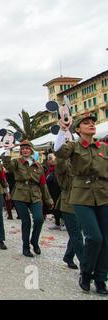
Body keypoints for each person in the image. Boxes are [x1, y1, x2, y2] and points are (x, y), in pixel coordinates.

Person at [54, 112, 108, 295]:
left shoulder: (103, 147)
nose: (91, 124)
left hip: (103, 195)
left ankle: (101, 279)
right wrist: (63, 130)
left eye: (93, 122)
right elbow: (59, 152)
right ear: (77, 129)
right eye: (86, 123)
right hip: (81, 196)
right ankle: (86, 272)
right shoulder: (74, 146)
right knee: (94, 237)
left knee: (106, 240)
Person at [2, 140, 52, 256]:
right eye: (23, 148)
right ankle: (25, 247)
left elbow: (43, 183)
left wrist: (48, 199)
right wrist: (7, 150)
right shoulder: (16, 162)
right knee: (26, 221)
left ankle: (34, 241)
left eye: (27, 148)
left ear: (31, 150)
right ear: (20, 151)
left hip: (35, 194)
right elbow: (7, 166)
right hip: (20, 194)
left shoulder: (38, 165)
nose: (25, 150)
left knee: (39, 219)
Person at [55, 157, 84, 270]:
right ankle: (86, 264)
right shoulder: (64, 163)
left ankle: (68, 256)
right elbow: (60, 167)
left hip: (84, 202)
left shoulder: (84, 161)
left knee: (77, 232)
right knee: (77, 234)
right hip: (69, 203)